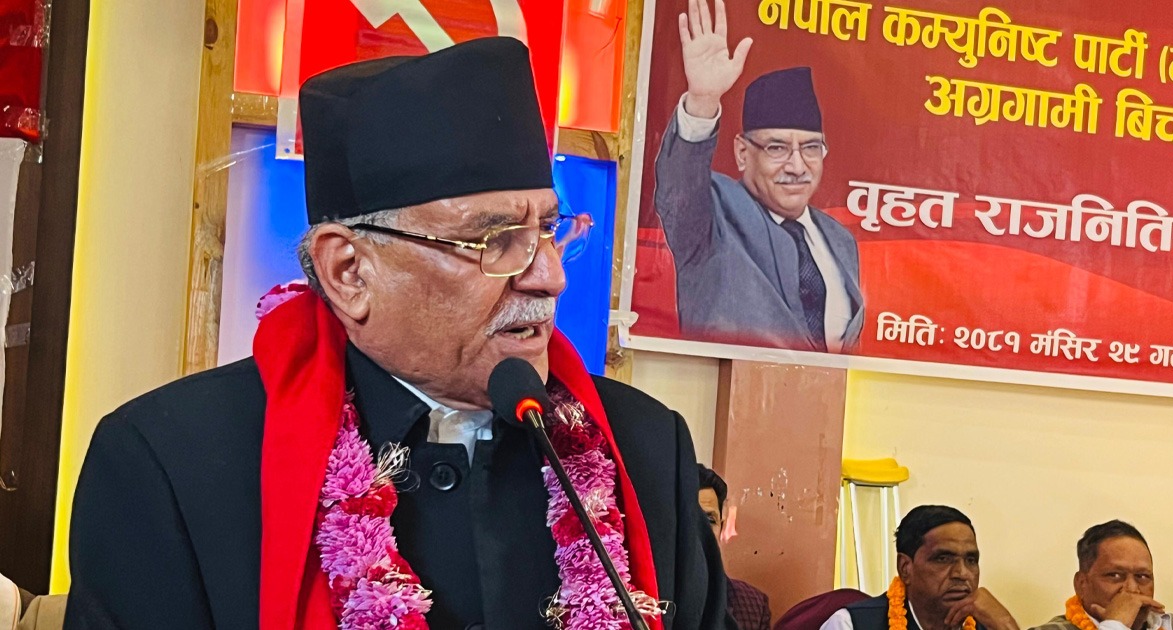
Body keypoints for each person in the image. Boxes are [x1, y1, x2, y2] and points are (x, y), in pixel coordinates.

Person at [65, 37, 729, 629]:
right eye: (495, 239)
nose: (549, 277)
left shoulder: (646, 449)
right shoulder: (170, 465)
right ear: (349, 271)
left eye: (549, 230)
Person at [654, 0, 863, 353]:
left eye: (811, 148)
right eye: (777, 148)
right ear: (742, 152)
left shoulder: (840, 240)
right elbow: (679, 191)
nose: (797, 166)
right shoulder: (713, 213)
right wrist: (703, 101)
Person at [820, 505, 1020, 630]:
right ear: (905, 568)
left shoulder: (988, 625)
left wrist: (1006, 624)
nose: (962, 573)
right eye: (943, 558)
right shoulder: (851, 625)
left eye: (971, 560)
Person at [1029, 520, 1173, 630]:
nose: (1132, 589)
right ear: (1081, 584)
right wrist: (1115, 625)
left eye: (1142, 576)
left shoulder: (1172, 626)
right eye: (1115, 575)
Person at [698, 464, 770, 630]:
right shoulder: (645, 599)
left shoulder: (752, 604)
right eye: (689, 519)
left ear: (721, 527)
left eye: (709, 520)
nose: (699, 531)